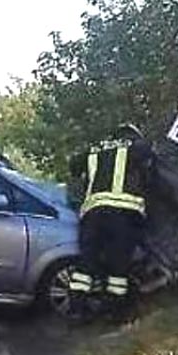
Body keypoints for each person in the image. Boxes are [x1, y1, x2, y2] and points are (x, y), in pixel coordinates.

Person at [67, 124, 155, 316]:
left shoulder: (94, 150)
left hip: (93, 214)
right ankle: (115, 312)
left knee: (86, 263)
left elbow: (74, 166)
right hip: (124, 214)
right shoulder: (136, 148)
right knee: (119, 265)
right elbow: (150, 161)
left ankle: (76, 310)